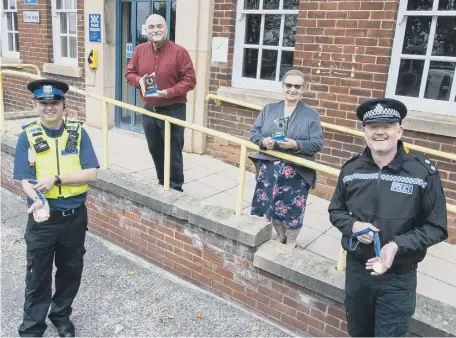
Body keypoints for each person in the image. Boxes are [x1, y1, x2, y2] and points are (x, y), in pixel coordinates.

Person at [328, 98, 448, 337]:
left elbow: (436, 226)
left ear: (399, 130)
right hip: (357, 272)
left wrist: (396, 245)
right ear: (364, 130)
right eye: (373, 126)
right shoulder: (351, 170)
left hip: (398, 277)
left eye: (388, 125)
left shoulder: (421, 171)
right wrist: (354, 226)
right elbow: (335, 211)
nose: (380, 132)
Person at [13, 79, 99, 337]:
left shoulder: (78, 133)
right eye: (43, 103)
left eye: (54, 103)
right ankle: (32, 327)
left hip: (74, 218)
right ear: (35, 105)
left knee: (71, 271)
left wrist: (57, 180)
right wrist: (37, 198)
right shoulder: (27, 136)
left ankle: (61, 316)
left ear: (64, 105)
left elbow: (92, 173)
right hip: (43, 219)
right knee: (37, 275)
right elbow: (24, 179)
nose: (49, 107)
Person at [249, 69, 324, 247]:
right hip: (270, 169)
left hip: (295, 171)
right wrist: (262, 141)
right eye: (289, 85)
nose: (292, 90)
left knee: (292, 209)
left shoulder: (310, 114)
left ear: (303, 89)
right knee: (271, 205)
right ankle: (280, 234)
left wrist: (296, 145)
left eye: (297, 86)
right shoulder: (269, 109)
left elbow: (317, 143)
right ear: (283, 87)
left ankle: (291, 240)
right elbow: (254, 133)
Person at [125, 14, 196, 192]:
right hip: (149, 110)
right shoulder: (139, 50)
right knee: (155, 149)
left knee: (173, 152)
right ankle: (162, 182)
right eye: (151, 27)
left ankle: (175, 187)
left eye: (159, 26)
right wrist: (139, 80)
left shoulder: (180, 52)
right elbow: (129, 74)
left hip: (173, 110)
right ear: (146, 30)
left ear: (166, 28)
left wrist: (168, 93)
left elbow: (190, 81)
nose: (155, 30)